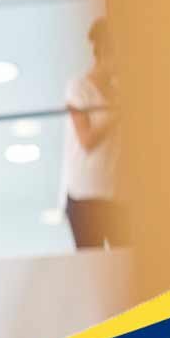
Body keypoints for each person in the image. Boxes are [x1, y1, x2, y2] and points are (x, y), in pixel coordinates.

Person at [62, 16, 124, 248]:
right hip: (85, 196)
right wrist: (118, 113)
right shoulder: (78, 88)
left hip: (117, 194)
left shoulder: (119, 92)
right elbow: (86, 139)